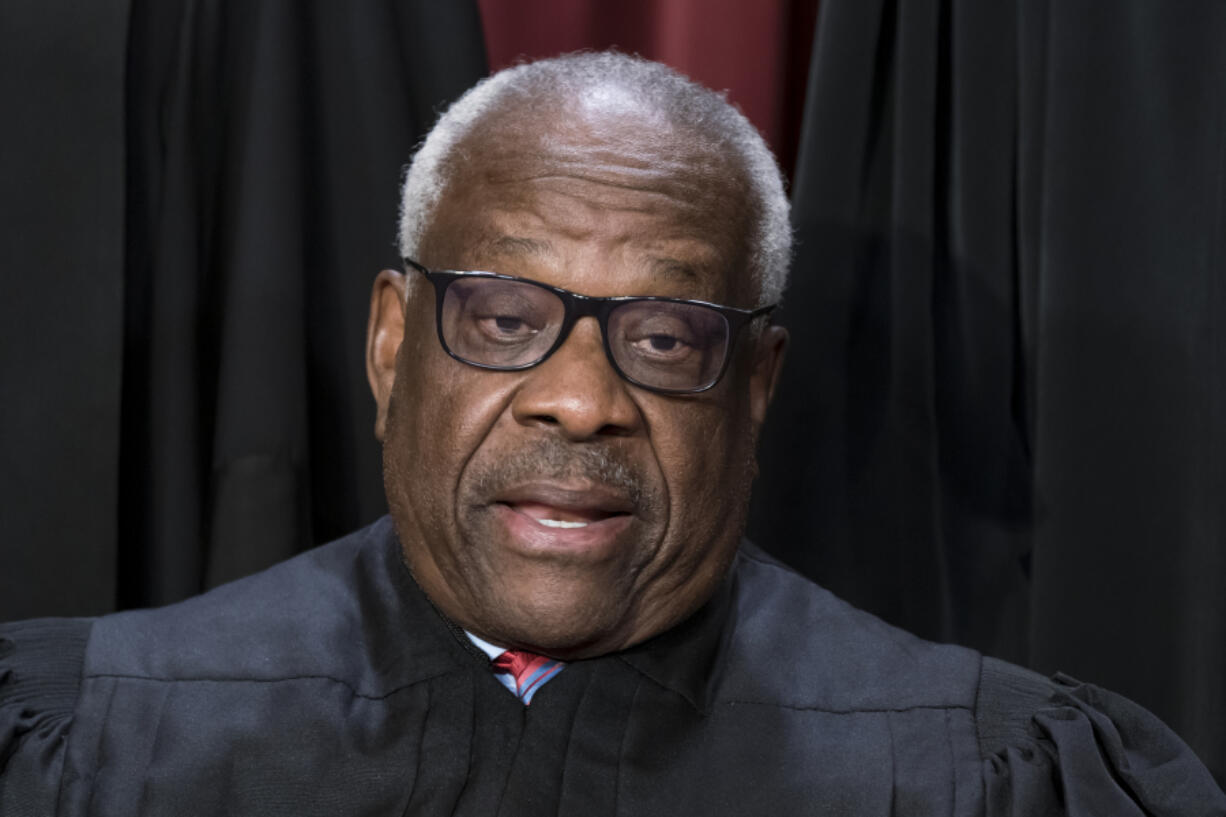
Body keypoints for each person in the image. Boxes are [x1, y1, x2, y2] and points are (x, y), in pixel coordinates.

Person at [1, 52, 1221, 817]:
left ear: (753, 385)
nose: (579, 399)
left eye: (665, 337)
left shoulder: (985, 777)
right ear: (390, 345)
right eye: (503, 315)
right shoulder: (94, 747)